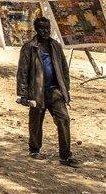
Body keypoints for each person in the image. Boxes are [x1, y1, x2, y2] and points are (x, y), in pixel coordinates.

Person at [16, 16, 80, 166]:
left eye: (47, 28)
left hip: (55, 91)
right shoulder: (29, 47)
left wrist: (65, 89)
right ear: (36, 29)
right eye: (42, 28)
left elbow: (64, 69)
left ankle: (65, 155)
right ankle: (34, 149)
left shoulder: (55, 46)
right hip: (36, 91)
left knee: (64, 119)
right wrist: (23, 94)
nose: (45, 31)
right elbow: (22, 71)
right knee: (36, 122)